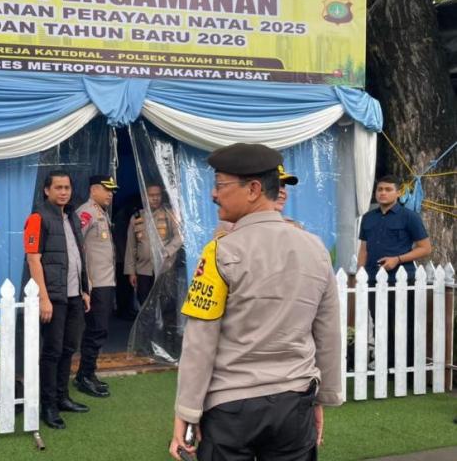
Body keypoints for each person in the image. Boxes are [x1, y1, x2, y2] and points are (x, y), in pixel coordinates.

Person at [169, 143, 342, 461]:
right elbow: (327, 330)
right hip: (294, 401)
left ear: (253, 189)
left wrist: (187, 410)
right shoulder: (315, 248)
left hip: (231, 407)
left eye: (220, 185)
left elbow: (200, 340)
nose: (213, 194)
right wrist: (324, 397)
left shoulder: (219, 252)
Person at [23, 170, 91, 429]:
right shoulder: (37, 218)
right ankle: (48, 405)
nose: (63, 192)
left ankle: (63, 398)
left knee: (68, 348)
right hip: (54, 297)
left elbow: (78, 256)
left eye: (67, 188)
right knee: (52, 351)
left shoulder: (72, 217)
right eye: (58, 188)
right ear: (46, 190)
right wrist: (44, 298)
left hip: (74, 296)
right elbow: (33, 259)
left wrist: (85, 289)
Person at [357, 174, 432, 366]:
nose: (383, 193)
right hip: (373, 279)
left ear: (398, 193)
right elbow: (364, 248)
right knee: (380, 323)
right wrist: (360, 274)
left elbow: (425, 248)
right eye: (380, 189)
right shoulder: (368, 218)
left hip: (402, 280)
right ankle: (385, 365)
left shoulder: (409, 217)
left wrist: (397, 259)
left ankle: (407, 368)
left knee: (405, 324)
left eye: (388, 189)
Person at [74, 175, 118, 398]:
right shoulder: (86, 212)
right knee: (96, 330)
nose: (110, 194)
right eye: (106, 189)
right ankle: (84, 376)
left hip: (106, 281)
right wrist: (85, 283)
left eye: (112, 190)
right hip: (95, 283)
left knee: (100, 330)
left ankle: (88, 373)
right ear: (93, 190)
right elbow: (76, 246)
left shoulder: (101, 212)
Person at [123, 183, 182, 308]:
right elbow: (131, 246)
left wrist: (167, 251)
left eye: (158, 195)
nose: (155, 198)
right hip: (143, 269)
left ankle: (166, 322)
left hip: (164, 268)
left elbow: (180, 236)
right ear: (145, 197)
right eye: (151, 195)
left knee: (166, 303)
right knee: (145, 303)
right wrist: (131, 272)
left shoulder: (169, 214)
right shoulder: (137, 217)